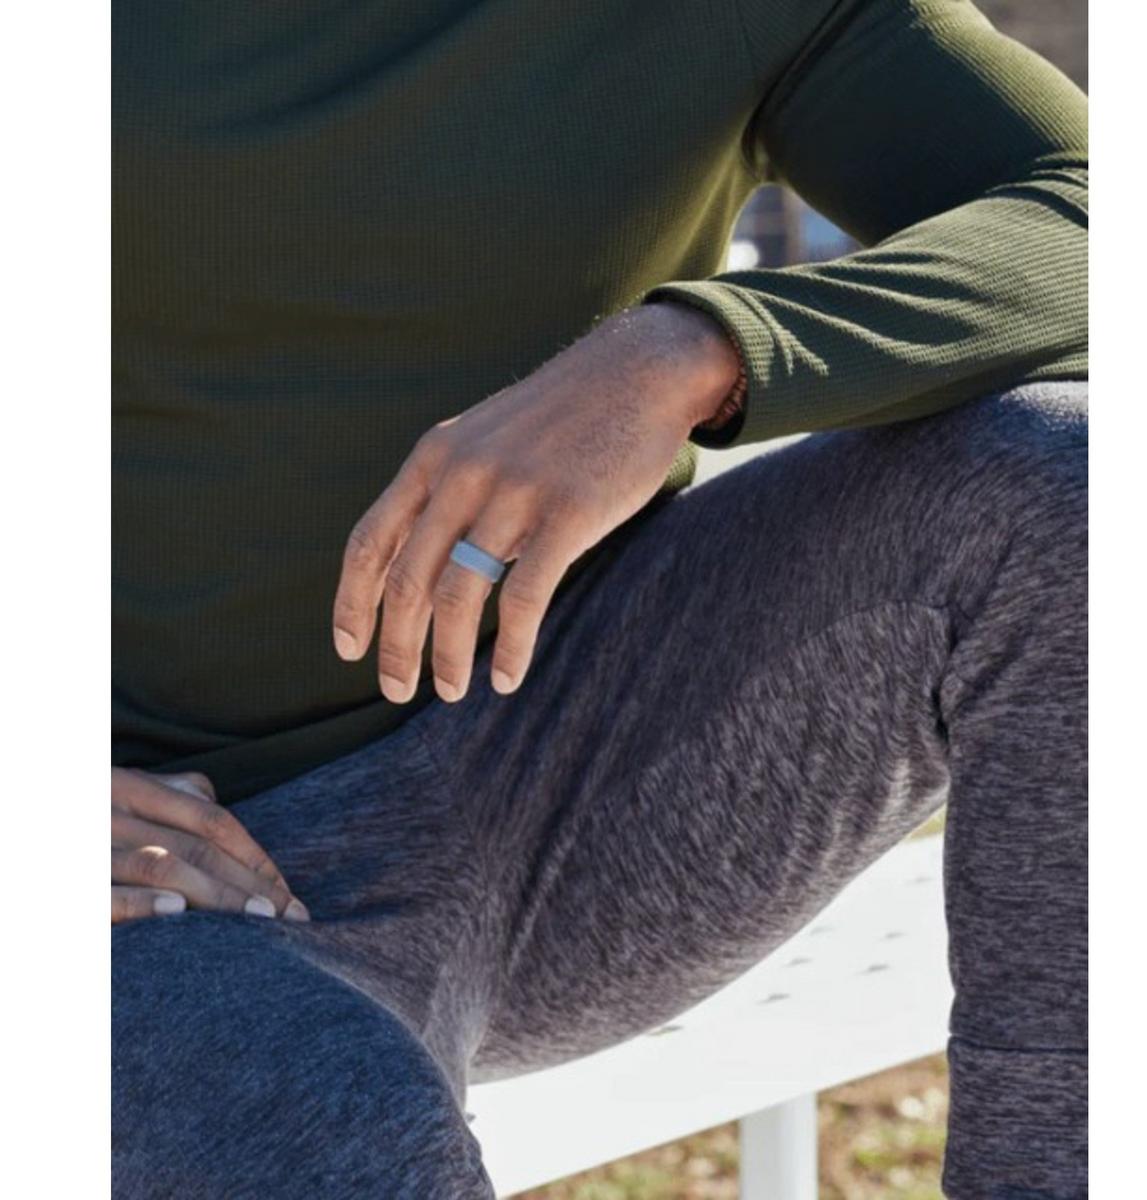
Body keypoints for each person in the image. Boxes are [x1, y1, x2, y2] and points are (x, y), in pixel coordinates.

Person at [112, 1, 1087, 1196]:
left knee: (1074, 483)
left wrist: (692, 354)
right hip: (157, 863)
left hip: (588, 767)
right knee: (331, 1128)